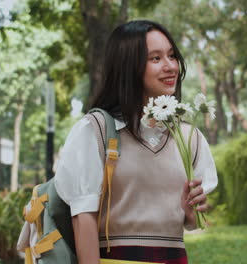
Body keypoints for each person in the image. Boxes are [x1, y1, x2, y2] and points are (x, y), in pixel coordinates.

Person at [54, 20, 218, 264]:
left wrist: (190, 211)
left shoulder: (189, 137)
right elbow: (83, 220)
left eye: (172, 56)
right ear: (127, 66)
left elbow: (192, 225)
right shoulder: (95, 131)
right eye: (155, 58)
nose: (170, 66)